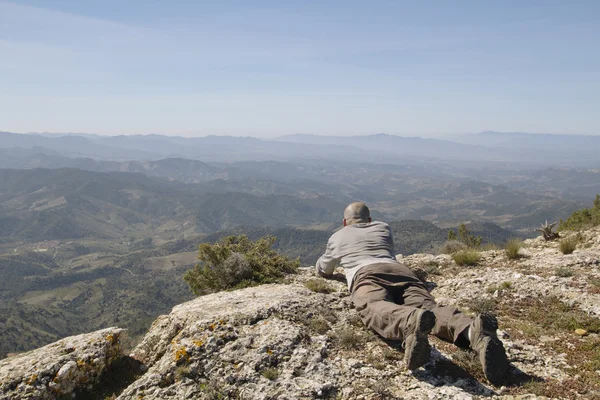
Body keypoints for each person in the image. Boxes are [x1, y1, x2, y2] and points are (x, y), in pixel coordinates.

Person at [315, 202, 509, 384]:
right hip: (401, 272)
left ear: (344, 222)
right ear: (370, 219)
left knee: (372, 305)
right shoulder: (383, 228)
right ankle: (471, 330)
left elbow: (325, 269)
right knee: (429, 307)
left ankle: (409, 320)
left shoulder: (337, 236)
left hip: (366, 275)